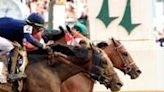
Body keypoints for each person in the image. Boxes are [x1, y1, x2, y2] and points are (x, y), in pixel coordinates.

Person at [0, 13, 51, 81]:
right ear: (33, 25)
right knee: (12, 48)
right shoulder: (27, 26)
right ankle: (11, 75)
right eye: (38, 29)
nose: (38, 31)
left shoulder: (23, 25)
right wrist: (43, 46)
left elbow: (19, 41)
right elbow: (29, 39)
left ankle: (11, 72)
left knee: (16, 48)